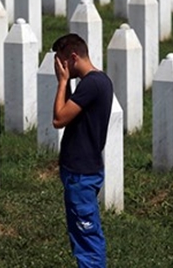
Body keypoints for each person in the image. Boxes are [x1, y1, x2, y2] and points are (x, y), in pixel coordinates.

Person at [52, 33, 114, 268]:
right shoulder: (97, 82)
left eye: (62, 61)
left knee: (87, 237)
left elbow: (59, 119)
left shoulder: (91, 84)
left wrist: (62, 82)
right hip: (81, 171)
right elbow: (69, 114)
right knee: (82, 234)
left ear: (73, 57)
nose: (60, 67)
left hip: (81, 173)